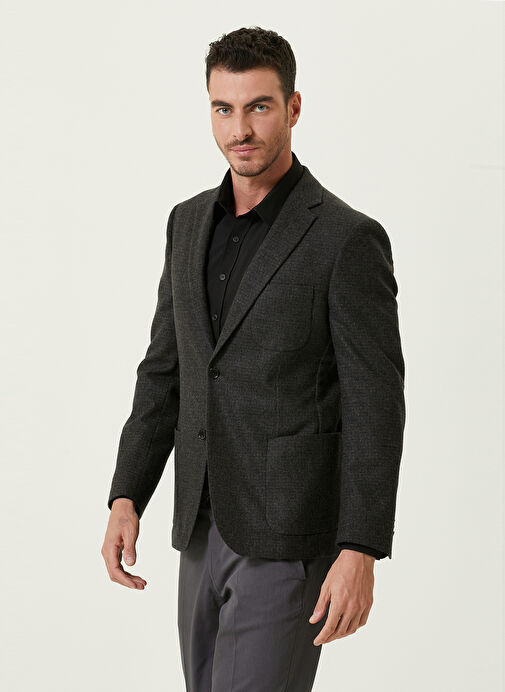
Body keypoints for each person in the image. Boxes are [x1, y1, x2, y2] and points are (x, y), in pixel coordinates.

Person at [102, 26, 406, 692]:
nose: (240, 129)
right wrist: (127, 494)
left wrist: (360, 547)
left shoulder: (345, 239)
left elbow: (375, 407)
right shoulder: (187, 223)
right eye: (224, 108)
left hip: (289, 535)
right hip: (199, 526)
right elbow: (166, 372)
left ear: (293, 107)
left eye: (259, 107)